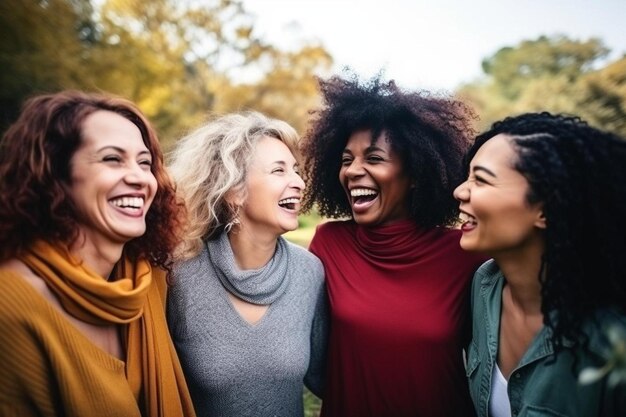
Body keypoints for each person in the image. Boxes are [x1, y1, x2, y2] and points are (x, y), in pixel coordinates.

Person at [300, 74, 486, 417]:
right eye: (345, 160)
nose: (353, 171)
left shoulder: (466, 254)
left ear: (415, 173)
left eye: (373, 159)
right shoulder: (330, 243)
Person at [0, 91, 195, 416]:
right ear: (56, 175)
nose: (138, 178)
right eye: (112, 159)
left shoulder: (148, 281)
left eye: (144, 163)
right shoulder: (13, 304)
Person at [454, 112, 626, 416]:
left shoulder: (611, 333)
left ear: (546, 209)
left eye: (480, 179)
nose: (459, 191)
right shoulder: (484, 285)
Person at [166, 111, 328, 417]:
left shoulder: (310, 272)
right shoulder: (179, 276)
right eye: (279, 171)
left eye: (296, 170)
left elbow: (329, 380)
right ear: (234, 191)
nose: (299, 182)